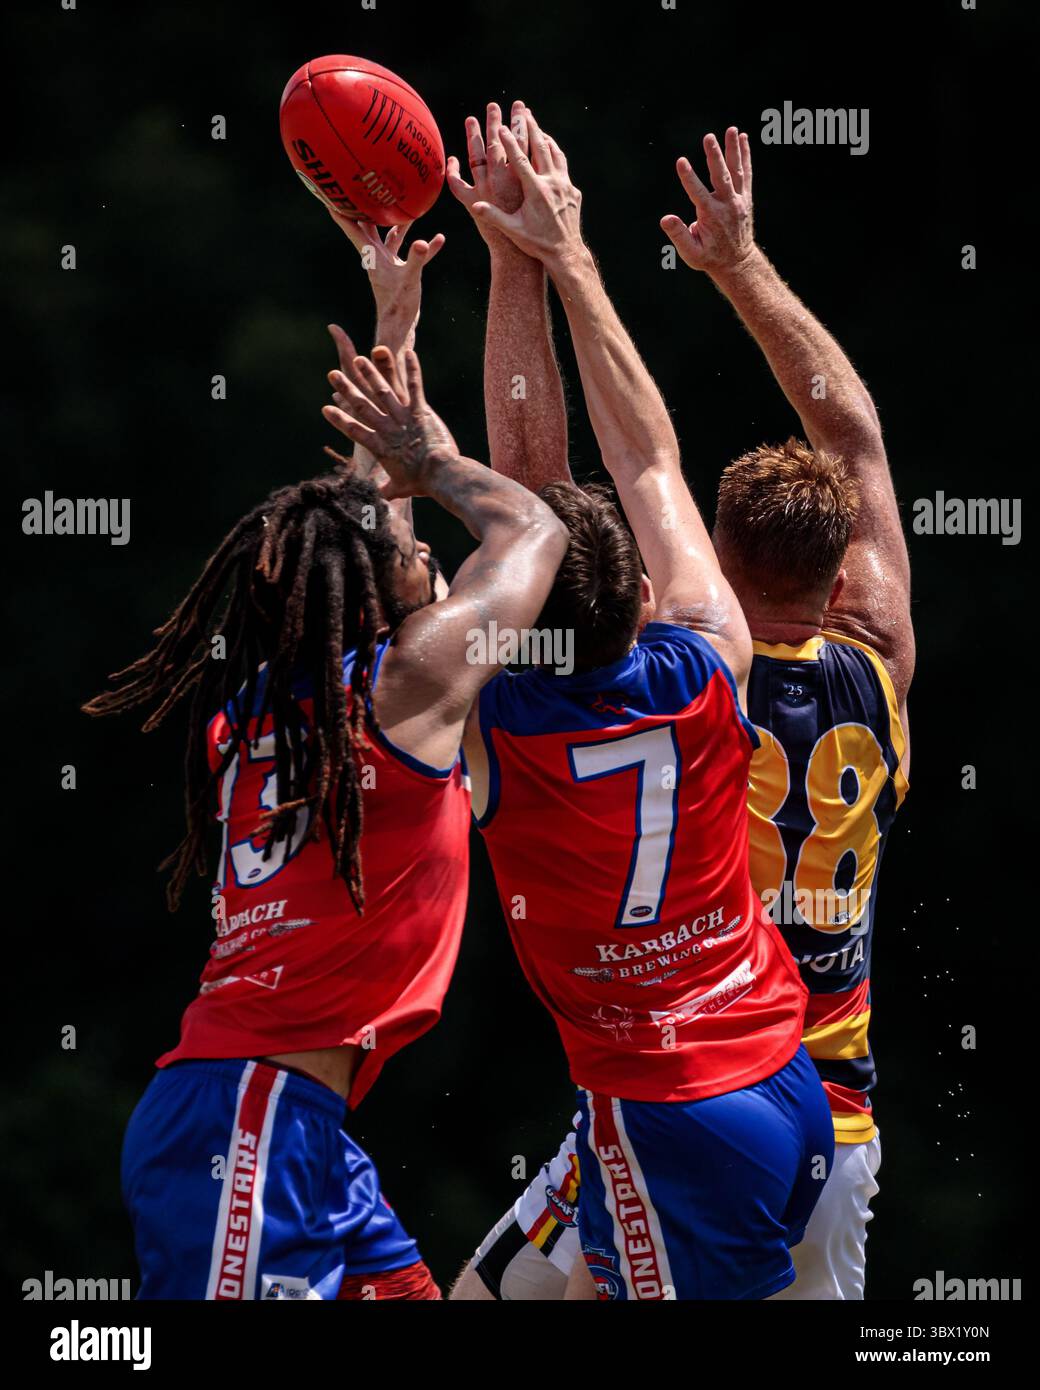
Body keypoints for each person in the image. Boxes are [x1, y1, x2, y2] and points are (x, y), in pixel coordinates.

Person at [453, 117, 912, 1302]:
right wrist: (742, 266)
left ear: (708, 554)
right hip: (829, 1114)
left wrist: (525, 261)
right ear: (841, 570)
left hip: (690, 1086)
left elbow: (541, 495)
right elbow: (851, 435)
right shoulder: (876, 661)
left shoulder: (685, 665)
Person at [84, 243, 568, 1298]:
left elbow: (361, 524)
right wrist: (432, 458)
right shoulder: (405, 686)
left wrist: (393, 325)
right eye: (409, 550)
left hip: (278, 1125)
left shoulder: (266, 708)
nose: (425, 552)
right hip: (247, 1127)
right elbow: (533, 528)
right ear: (379, 591)